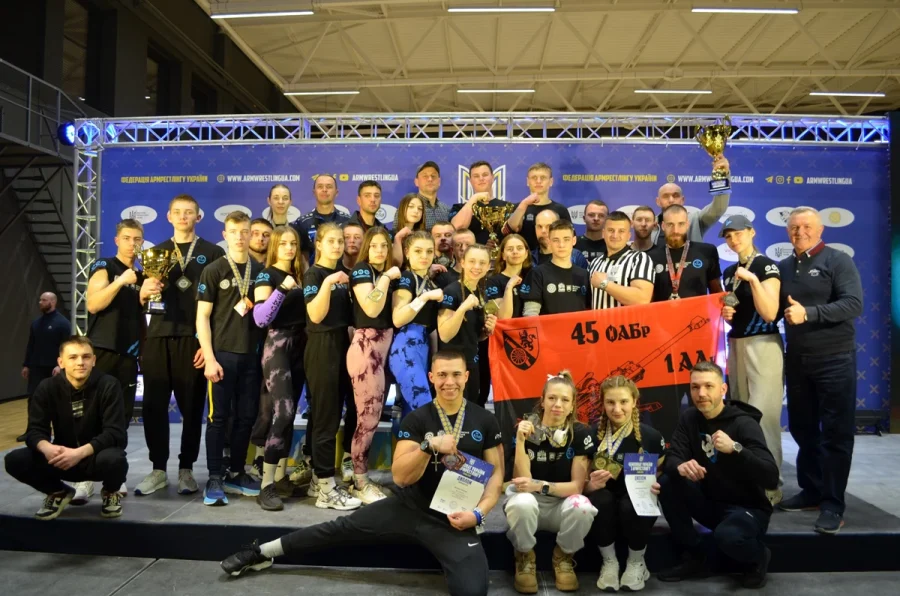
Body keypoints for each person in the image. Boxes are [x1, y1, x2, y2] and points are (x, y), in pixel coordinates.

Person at [220, 350, 504, 596]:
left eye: (456, 374)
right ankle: (262, 552)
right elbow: (401, 477)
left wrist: (478, 515)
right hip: (410, 507)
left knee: (472, 590)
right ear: (431, 377)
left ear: (467, 376)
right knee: (339, 527)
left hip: (454, 519)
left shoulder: (485, 420)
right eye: (442, 375)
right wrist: (429, 447)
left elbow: (495, 476)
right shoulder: (418, 419)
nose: (449, 382)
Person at [777, 207, 862, 534]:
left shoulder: (838, 261)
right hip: (798, 360)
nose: (800, 232)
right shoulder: (784, 267)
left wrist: (809, 314)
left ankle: (833, 504)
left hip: (835, 358)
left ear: (820, 229)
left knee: (836, 434)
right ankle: (812, 490)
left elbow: (853, 303)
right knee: (803, 430)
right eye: (794, 227)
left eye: (806, 226)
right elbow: (773, 308)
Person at [657, 361, 778, 589]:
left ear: (723, 389)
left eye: (708, 386)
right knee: (668, 481)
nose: (701, 393)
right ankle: (695, 557)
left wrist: (736, 449)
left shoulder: (744, 423)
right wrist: (680, 466)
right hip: (711, 504)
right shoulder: (689, 418)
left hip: (747, 508)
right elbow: (673, 457)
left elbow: (771, 476)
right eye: (695, 387)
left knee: (729, 536)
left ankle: (758, 558)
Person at [136, 194, 224, 497]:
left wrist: (206, 345)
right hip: (158, 337)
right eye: (178, 212)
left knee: (192, 407)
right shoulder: (155, 253)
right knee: (153, 407)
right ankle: (158, 469)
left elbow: (219, 306)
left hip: (193, 340)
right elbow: (143, 300)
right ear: (168, 216)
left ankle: (186, 468)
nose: (183, 217)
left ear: (198, 217)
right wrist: (145, 292)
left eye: (189, 212)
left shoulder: (212, 253)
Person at [5, 336, 127, 520]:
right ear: (61, 362)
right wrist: (48, 448)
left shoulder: (109, 385)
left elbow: (115, 433)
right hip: (61, 459)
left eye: (86, 357)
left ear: (94, 360)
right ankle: (58, 492)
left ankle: (110, 492)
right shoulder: (47, 387)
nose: (80, 362)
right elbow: (34, 431)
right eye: (73, 357)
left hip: (94, 458)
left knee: (116, 459)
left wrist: (78, 453)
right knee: (14, 460)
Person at [506, 371, 598, 594]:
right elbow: (522, 481)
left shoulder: (580, 432)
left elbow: (577, 487)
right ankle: (524, 555)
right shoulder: (527, 429)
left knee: (583, 507)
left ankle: (563, 556)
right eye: (552, 398)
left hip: (560, 505)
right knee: (522, 502)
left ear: (572, 405)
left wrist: (540, 485)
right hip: (530, 504)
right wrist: (520, 441)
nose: (558, 405)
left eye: (565, 400)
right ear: (542, 400)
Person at [196, 211, 264, 506]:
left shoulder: (260, 270)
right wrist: (209, 358)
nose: (239, 237)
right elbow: (202, 317)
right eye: (233, 231)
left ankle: (237, 472)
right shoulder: (214, 270)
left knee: (246, 417)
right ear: (225, 235)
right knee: (218, 418)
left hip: (252, 356)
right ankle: (214, 476)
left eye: (245, 231)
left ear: (251, 235)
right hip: (222, 355)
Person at [719, 215, 784, 505]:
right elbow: (737, 310)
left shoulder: (765, 266)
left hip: (763, 343)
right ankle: (747, 481)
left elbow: (769, 312)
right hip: (736, 344)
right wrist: (727, 314)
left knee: (764, 417)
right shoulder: (729, 271)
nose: (734, 240)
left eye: (739, 233)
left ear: (752, 232)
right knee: (741, 416)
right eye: (728, 236)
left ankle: (771, 486)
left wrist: (754, 280)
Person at [585, 376, 665, 593]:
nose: (617, 409)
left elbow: (660, 470)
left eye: (623, 402)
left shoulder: (651, 437)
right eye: (610, 402)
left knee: (632, 504)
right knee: (600, 499)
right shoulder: (592, 436)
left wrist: (656, 484)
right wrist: (590, 485)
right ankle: (610, 562)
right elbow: (580, 481)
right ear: (603, 404)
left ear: (634, 402)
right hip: (605, 501)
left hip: (635, 503)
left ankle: (637, 562)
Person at [302, 222, 361, 510]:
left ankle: (317, 479)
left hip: (341, 346)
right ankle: (326, 487)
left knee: (328, 416)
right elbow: (315, 315)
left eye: (341, 241)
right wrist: (328, 284)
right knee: (325, 419)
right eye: (331, 241)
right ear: (319, 244)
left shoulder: (344, 274)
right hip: (322, 347)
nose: (337, 246)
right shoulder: (315, 274)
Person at [251, 226, 309, 511]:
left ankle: (281, 477)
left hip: (301, 346)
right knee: (282, 412)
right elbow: (261, 318)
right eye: (284, 243)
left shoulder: (302, 274)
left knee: (290, 413)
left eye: (293, 243)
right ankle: (266, 485)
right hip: (277, 346)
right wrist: (283, 289)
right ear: (275, 246)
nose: (289, 248)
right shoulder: (267, 275)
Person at [347, 227, 402, 504]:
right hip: (366, 351)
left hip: (382, 353)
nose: (380, 251)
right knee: (367, 420)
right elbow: (371, 308)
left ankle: (360, 476)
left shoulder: (386, 272)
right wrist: (386, 278)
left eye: (384, 246)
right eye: (374, 245)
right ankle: (359, 482)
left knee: (372, 418)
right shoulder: (362, 270)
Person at [86, 219, 157, 431]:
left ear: (142, 243)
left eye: (137, 239)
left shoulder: (143, 277)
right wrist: (120, 281)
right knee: (95, 412)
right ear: (117, 240)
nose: (131, 244)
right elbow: (93, 305)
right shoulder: (105, 265)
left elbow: (141, 317)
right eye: (126, 238)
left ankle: (115, 452)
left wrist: (143, 351)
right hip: (102, 349)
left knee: (122, 415)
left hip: (129, 354)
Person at [389, 232, 444, 417]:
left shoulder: (428, 281)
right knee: (423, 410)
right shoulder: (407, 277)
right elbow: (398, 318)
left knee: (411, 414)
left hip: (423, 348)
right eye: (418, 251)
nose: (424, 256)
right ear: (407, 252)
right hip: (406, 347)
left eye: (429, 251)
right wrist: (425, 297)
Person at [438, 244, 498, 406]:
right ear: (463, 262)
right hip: (451, 365)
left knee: (471, 411)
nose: (477, 267)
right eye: (472, 261)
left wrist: (487, 330)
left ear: (488, 266)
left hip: (472, 363)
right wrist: (463, 308)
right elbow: (445, 334)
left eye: (482, 263)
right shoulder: (451, 291)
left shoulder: (481, 293)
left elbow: (474, 336)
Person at [18, 292, 70, 442]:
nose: (40, 302)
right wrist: (26, 365)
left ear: (52, 302)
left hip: (53, 369)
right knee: (33, 399)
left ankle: (60, 432)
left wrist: (60, 365)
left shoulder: (62, 323)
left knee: (55, 400)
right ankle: (33, 431)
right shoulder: (36, 323)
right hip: (36, 368)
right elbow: (31, 345)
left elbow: (66, 347)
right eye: (40, 299)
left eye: (44, 300)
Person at [649, 156, 731, 246]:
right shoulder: (650, 225)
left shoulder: (696, 220)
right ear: (658, 201)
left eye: (676, 196)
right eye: (666, 196)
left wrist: (721, 175)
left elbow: (718, 208)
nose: (671, 200)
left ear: (682, 200)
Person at [647, 205, 722, 301]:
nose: (675, 230)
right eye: (670, 224)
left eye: (681, 224)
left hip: (698, 311)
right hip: (662, 311)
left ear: (687, 225)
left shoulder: (707, 251)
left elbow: (717, 292)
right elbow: (648, 299)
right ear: (663, 226)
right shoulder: (650, 256)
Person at [521, 220, 591, 316]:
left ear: (574, 241)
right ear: (549, 242)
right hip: (546, 326)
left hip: (578, 326)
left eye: (566, 239)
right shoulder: (537, 273)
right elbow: (530, 313)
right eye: (555, 240)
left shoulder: (584, 274)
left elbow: (590, 310)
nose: (561, 245)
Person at [588, 211, 655, 310]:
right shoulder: (595, 263)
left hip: (628, 321)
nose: (615, 235)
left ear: (629, 236)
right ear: (603, 233)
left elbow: (642, 299)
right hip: (598, 320)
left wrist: (604, 284)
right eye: (611, 230)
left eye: (621, 231)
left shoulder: (639, 259)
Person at [507, 162, 573, 251]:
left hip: (553, 257)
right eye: (534, 178)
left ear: (551, 182)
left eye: (543, 178)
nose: (538, 181)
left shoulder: (561, 210)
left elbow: (569, 240)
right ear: (527, 181)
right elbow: (509, 231)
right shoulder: (517, 208)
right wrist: (524, 204)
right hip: (523, 258)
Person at [450, 160, 514, 248]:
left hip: (500, 255)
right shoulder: (458, 208)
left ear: (492, 177)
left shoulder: (507, 207)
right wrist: (474, 198)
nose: (481, 178)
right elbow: (456, 228)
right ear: (470, 181)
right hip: (470, 255)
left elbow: (513, 234)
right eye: (476, 176)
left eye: (485, 175)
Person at [291, 174, 350, 264]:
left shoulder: (348, 221)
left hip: (342, 271)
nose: (324, 190)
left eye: (329, 187)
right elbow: (299, 257)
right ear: (314, 192)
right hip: (313, 272)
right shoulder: (302, 223)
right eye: (320, 187)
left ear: (336, 192)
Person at [393, 161, 452, 231]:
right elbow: (398, 234)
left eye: (433, 176)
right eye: (425, 176)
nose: (430, 179)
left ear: (439, 181)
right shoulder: (406, 208)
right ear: (416, 182)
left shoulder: (446, 210)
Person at [485, 234, 531, 320]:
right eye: (510, 249)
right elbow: (502, 317)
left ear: (526, 254)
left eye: (519, 248)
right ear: (503, 255)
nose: (515, 252)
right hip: (506, 328)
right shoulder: (492, 281)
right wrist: (509, 287)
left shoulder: (533, 277)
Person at [392, 192, 426, 266]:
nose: (416, 211)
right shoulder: (391, 235)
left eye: (420, 209)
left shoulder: (425, 237)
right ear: (402, 209)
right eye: (411, 206)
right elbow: (395, 265)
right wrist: (397, 238)